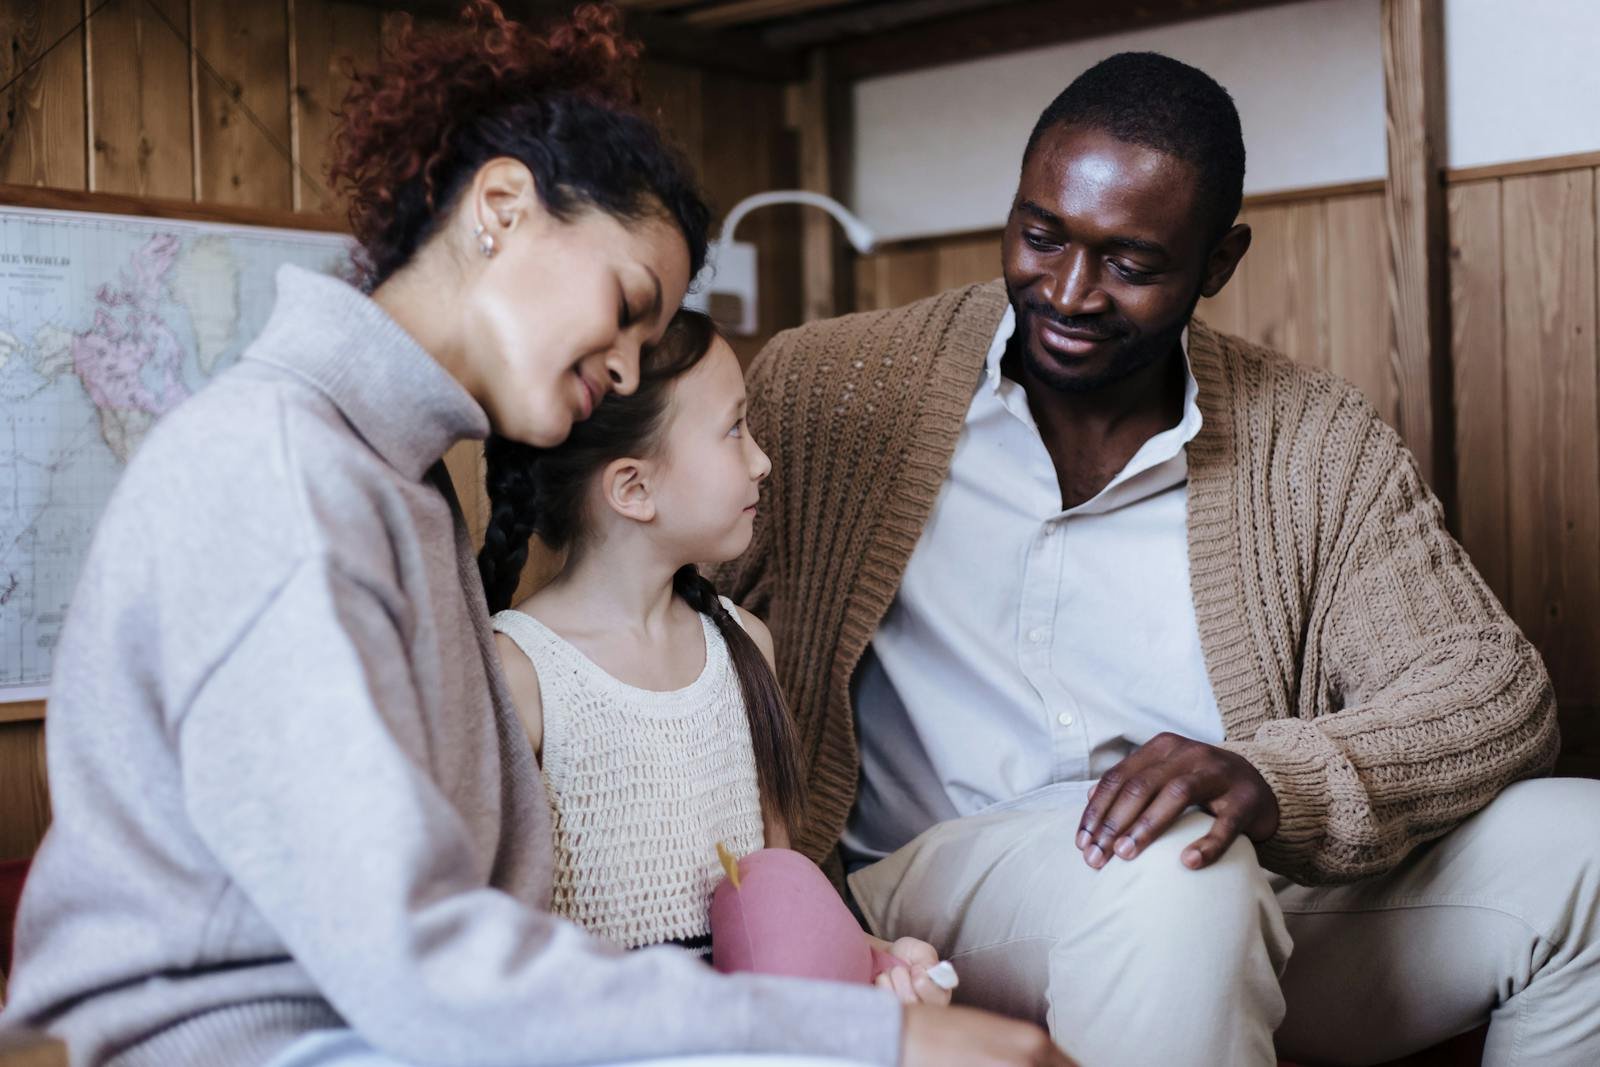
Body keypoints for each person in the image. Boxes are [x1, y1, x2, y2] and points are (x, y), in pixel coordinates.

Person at [0, 5, 1071, 1066]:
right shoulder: (279, 475)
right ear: (501, 208)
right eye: (627, 303)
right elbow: (411, 960)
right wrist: (872, 1031)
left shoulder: (397, 480)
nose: (620, 366)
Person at [717, 51, 1600, 1066]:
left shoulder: (1307, 437)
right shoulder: (833, 384)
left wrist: (1275, 778)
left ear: (1217, 264)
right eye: (1040, 235)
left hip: (1221, 903)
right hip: (928, 906)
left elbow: (1490, 687)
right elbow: (664, 607)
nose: (1069, 291)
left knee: (1578, 845)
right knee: (1174, 866)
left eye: (1130, 264)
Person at [480, 310, 950, 1007]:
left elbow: (783, 899)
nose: (761, 459)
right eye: (735, 429)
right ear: (633, 488)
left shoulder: (741, 644)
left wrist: (879, 964)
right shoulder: (521, 677)